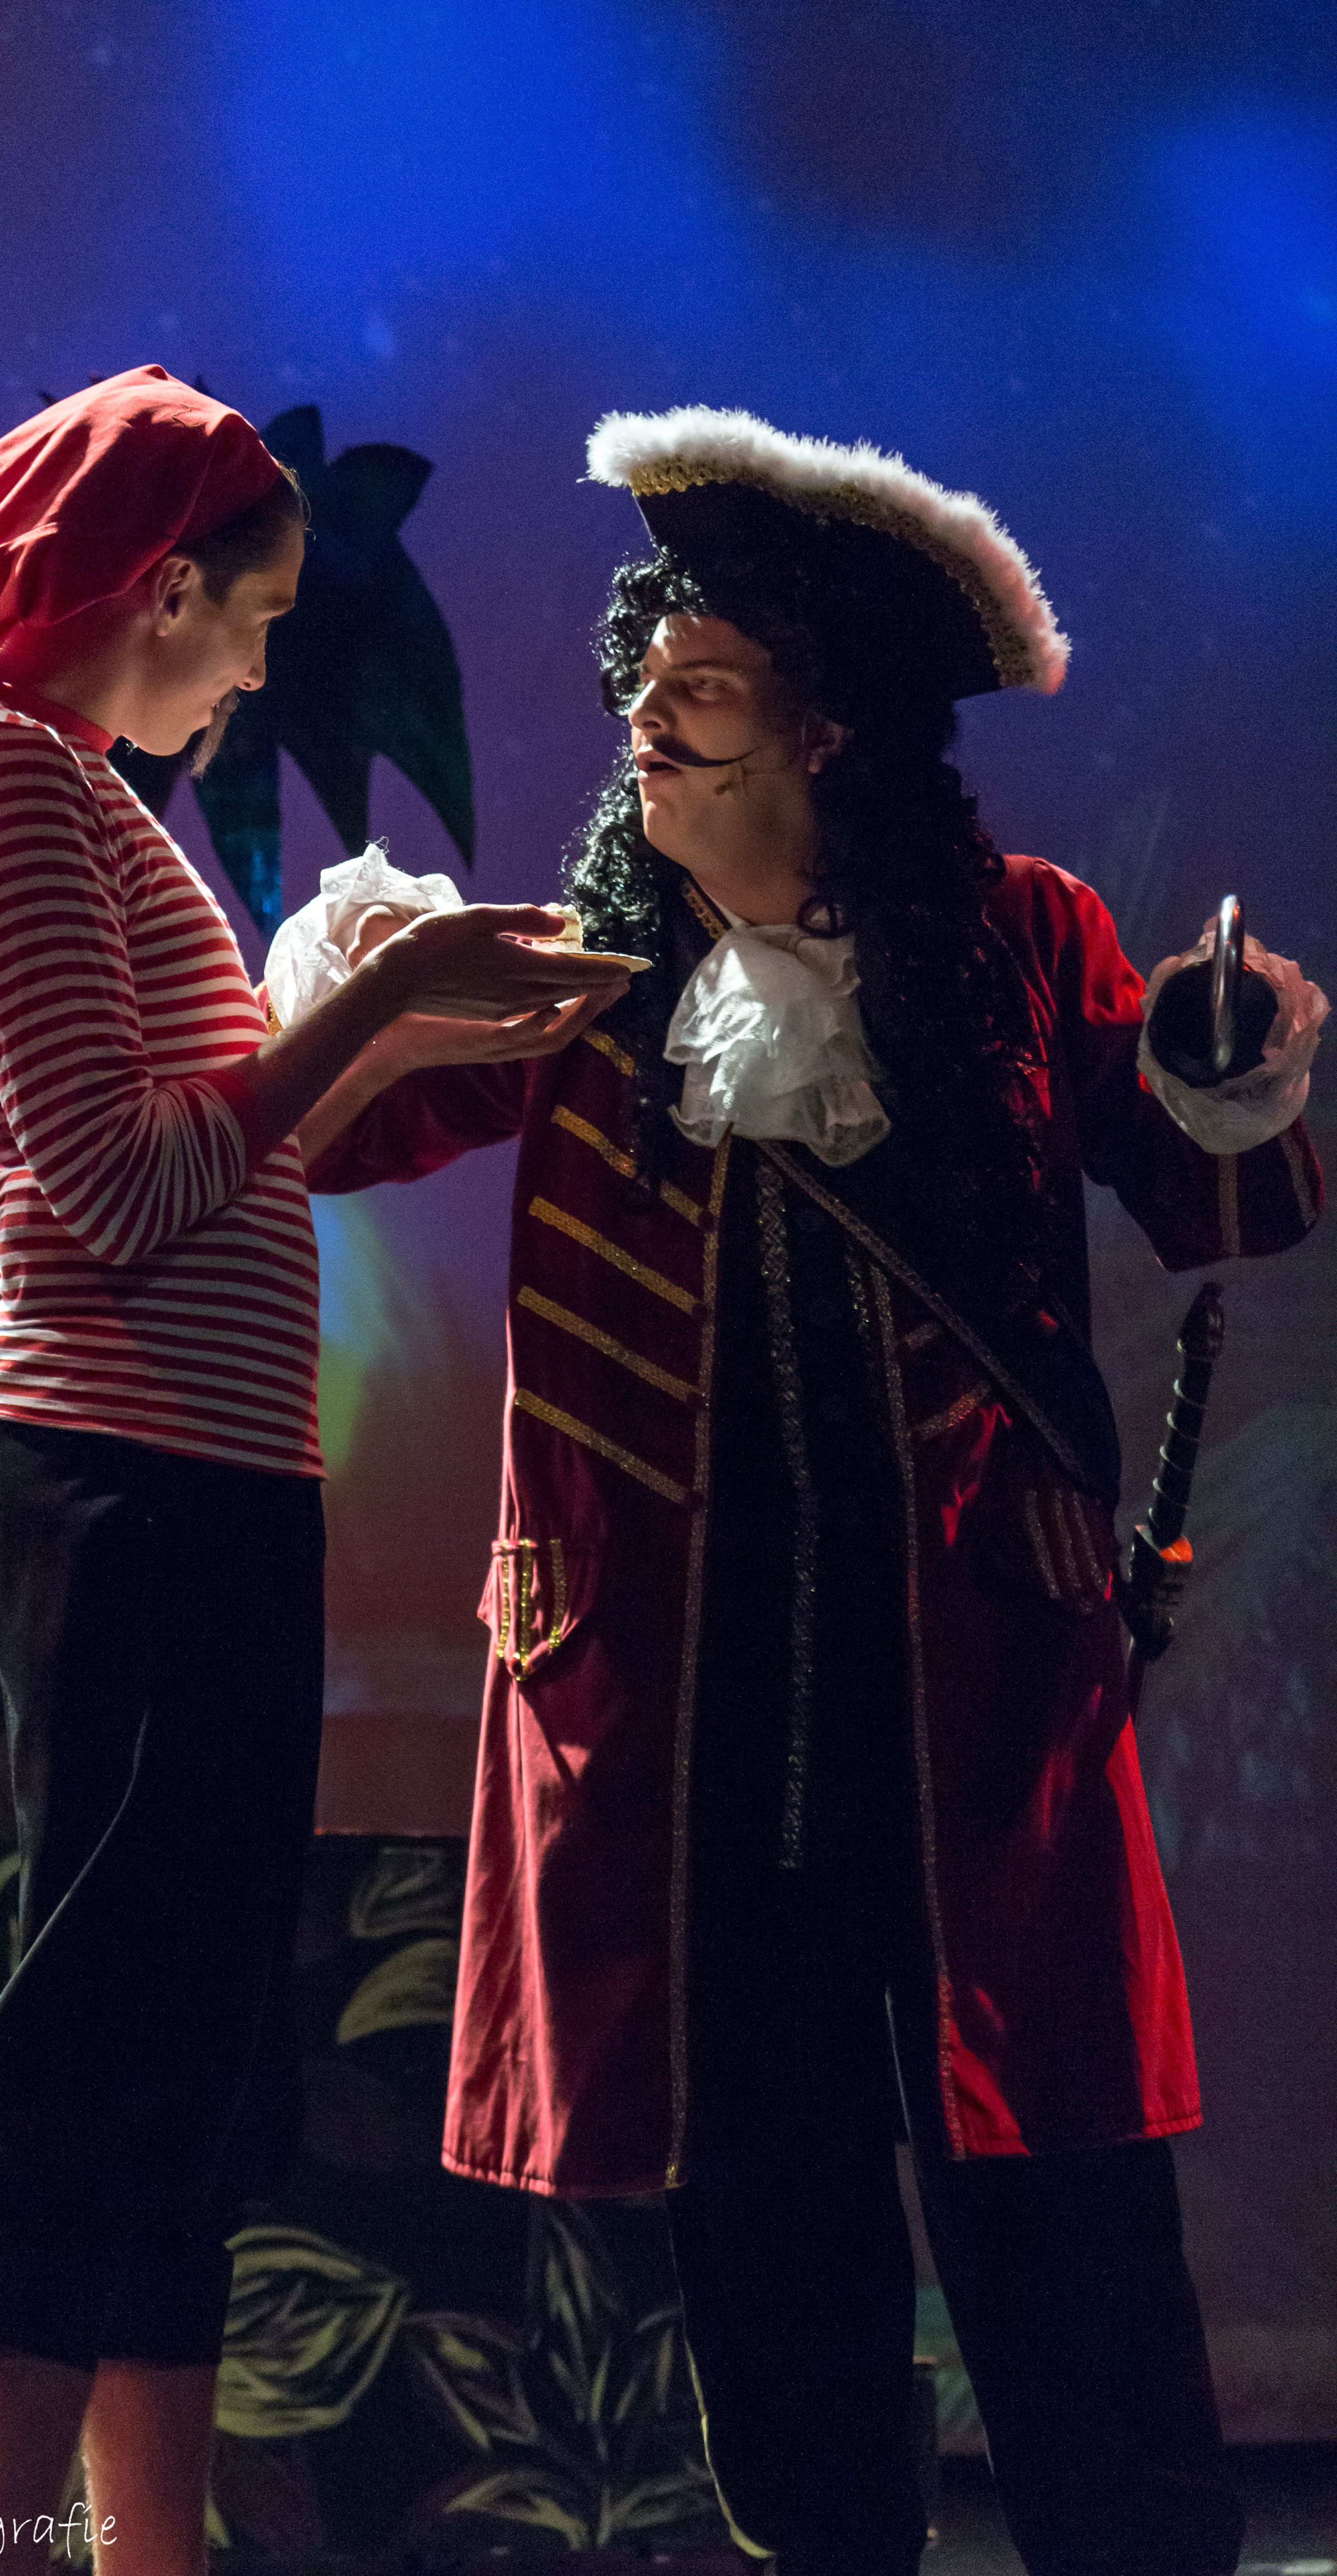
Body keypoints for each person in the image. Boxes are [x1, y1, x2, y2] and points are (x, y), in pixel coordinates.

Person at [289, 407, 1327, 2576]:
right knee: (764, 2204)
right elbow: (339, 1139)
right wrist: (361, 996)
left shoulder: (1023, 939)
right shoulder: (575, 980)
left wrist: (1229, 1064)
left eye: (703, 688)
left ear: (829, 727)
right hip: (682, 1694)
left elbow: (1220, 1203)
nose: (645, 723)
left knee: (1056, 2179)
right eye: (645, 682)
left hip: (968, 1676)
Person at [0, 366, 629, 2576]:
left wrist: (436, 1024)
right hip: (125, 1473)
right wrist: (380, 1001)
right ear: (161, 586)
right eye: (257, 621)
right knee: (97, 2057)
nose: (264, 670)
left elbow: (218, 1142)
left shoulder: (82, 793)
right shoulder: (1, 773)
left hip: (212, 1479)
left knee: (188, 2071)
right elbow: (110, 1188)